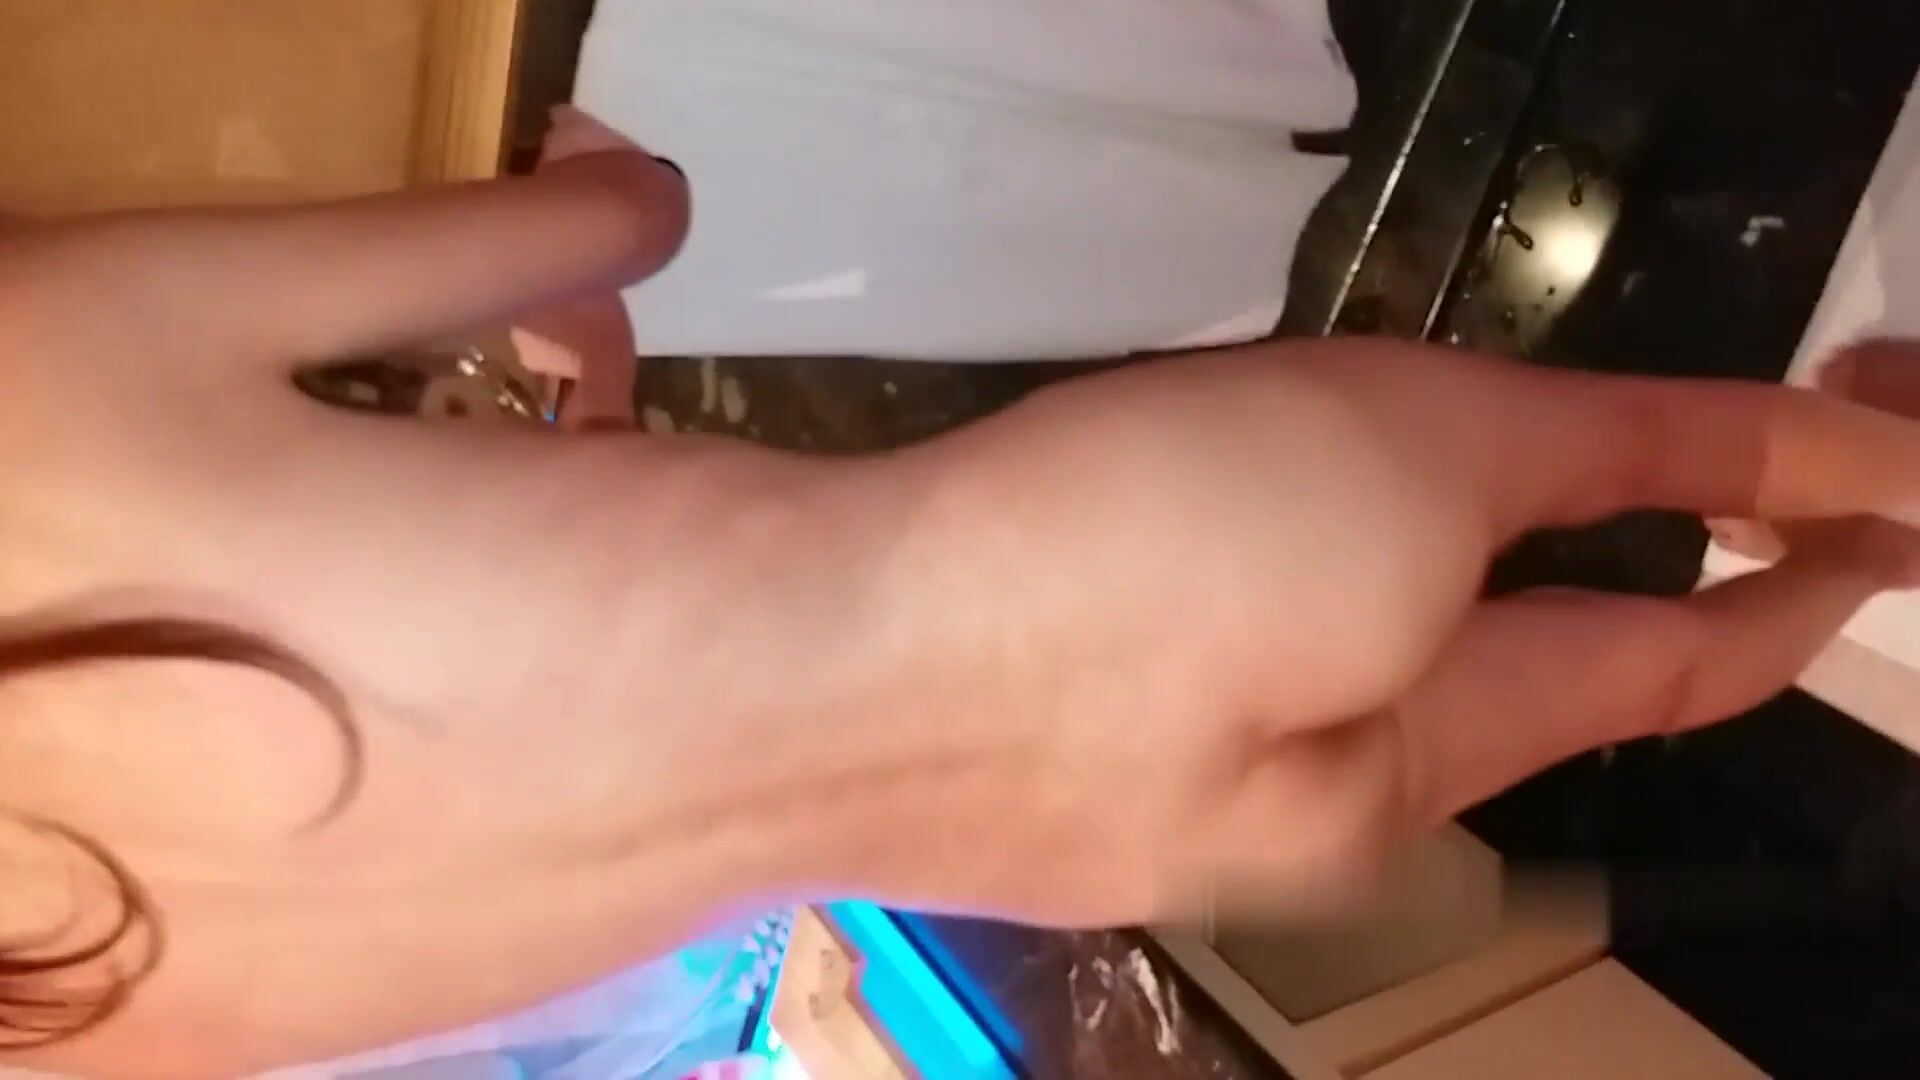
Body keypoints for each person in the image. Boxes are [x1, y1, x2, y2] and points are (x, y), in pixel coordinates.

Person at [1, 112, 1918, 1077]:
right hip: (1184, 546)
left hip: (1099, 842)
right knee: (1671, 444)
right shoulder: (28, 386)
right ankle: (1885, 476)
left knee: (1663, 677)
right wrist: (586, 207)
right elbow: (622, 217)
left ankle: (1872, 560)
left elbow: (559, 790)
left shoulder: (68, 1033)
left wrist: (563, 453)